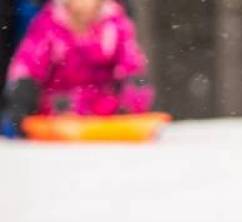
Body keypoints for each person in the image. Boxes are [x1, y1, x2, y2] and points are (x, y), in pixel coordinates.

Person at [1, 0, 152, 137]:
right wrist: (21, 105)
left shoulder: (115, 24)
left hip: (104, 106)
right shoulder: (48, 24)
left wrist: (131, 104)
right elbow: (28, 66)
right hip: (57, 107)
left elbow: (133, 66)